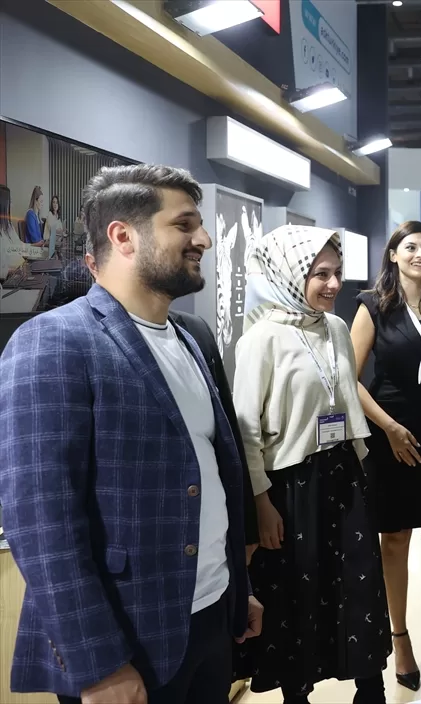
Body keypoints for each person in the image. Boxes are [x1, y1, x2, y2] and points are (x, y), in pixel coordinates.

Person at [0, 164, 262, 703]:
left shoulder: (190, 337)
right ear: (123, 236)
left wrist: (237, 589)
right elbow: (40, 519)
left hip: (211, 615)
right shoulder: (53, 341)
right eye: (184, 224)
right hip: (128, 637)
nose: (204, 239)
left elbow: (208, 470)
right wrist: (98, 664)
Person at [231, 225, 389, 704]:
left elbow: (345, 400)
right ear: (288, 274)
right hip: (290, 485)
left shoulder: (336, 328)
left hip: (343, 472)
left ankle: (371, 690)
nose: (334, 284)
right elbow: (246, 430)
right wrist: (261, 504)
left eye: (337, 272)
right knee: (296, 595)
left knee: (360, 584)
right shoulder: (261, 339)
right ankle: (296, 695)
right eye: (320, 274)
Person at [350, 221, 421, 691]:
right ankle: (399, 638)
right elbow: (349, 379)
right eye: (411, 247)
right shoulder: (372, 305)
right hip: (392, 434)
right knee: (395, 538)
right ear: (394, 254)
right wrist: (390, 428)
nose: (420, 255)